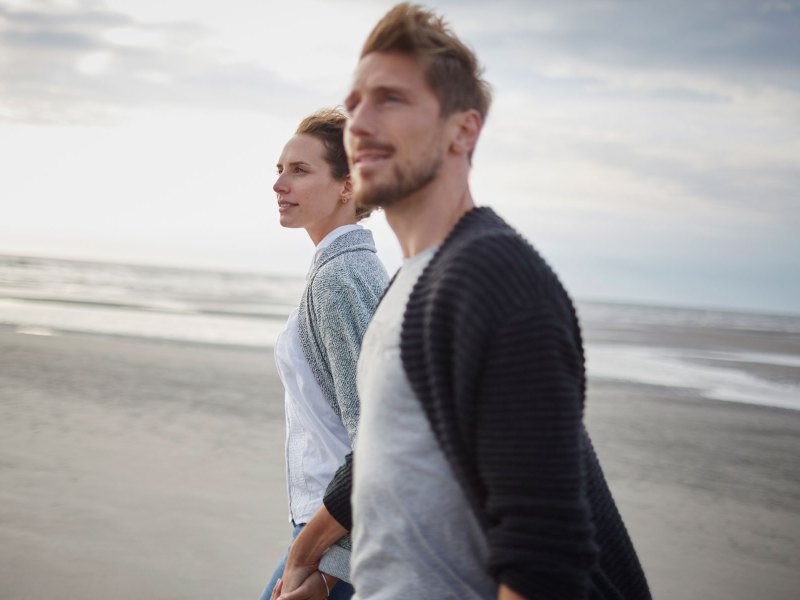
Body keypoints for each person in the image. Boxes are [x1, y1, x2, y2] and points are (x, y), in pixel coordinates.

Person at [276, 4, 651, 599]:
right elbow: (376, 455)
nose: (362, 122)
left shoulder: (495, 278)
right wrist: (307, 556)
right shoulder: (408, 286)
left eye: (391, 99)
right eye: (356, 104)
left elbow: (544, 558)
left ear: (463, 129)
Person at [260, 107, 388, 600]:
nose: (279, 185)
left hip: (341, 540)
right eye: (279, 170)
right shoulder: (347, 270)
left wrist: (324, 569)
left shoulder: (340, 280)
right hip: (335, 533)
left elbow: (379, 443)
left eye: (300, 170)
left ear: (348, 187)